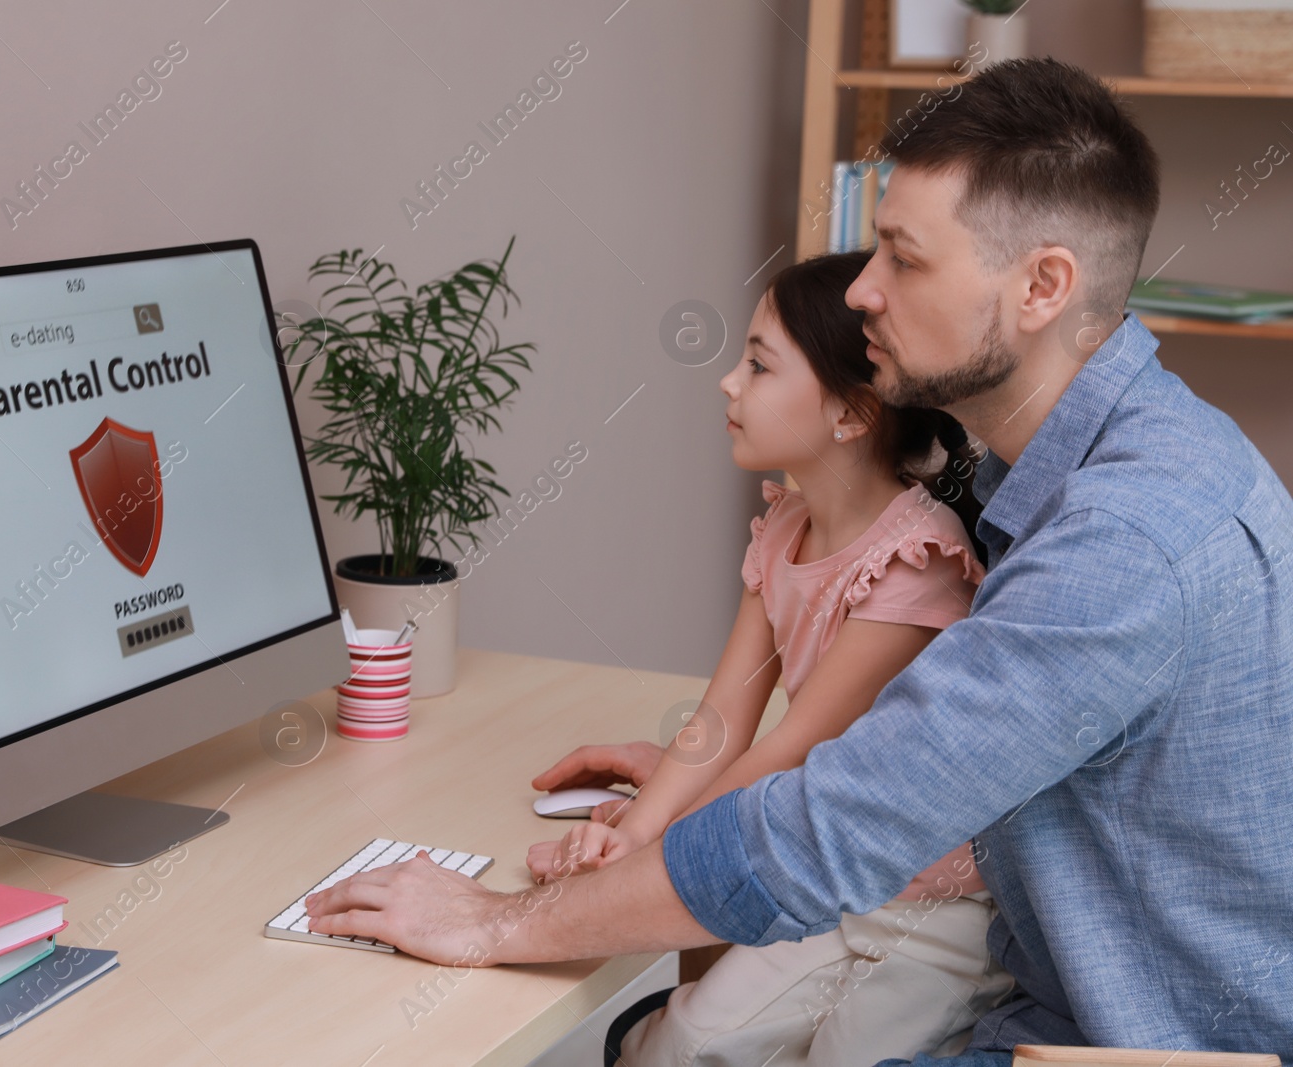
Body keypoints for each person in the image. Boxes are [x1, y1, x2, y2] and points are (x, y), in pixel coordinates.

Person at [305, 57, 1293, 1064]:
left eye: (903, 260)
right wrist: (706, 776)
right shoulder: (1107, 462)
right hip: (1063, 998)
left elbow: (823, 835)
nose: (861, 293)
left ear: (1042, 285)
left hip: (1132, 1040)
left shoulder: (1127, 538)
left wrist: (493, 922)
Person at [521, 249, 1012, 1066]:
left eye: (757, 364)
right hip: (833, 880)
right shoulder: (784, 528)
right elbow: (718, 723)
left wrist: (649, 862)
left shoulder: (915, 560)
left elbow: (795, 748)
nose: (728, 382)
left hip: (938, 908)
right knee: (678, 1044)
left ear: (851, 415)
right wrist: (630, 835)